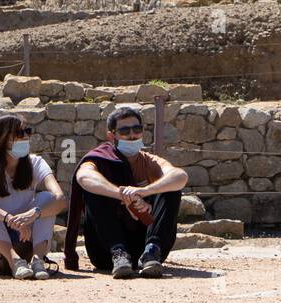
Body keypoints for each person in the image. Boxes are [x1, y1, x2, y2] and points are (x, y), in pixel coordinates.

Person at [62, 105, 188, 277]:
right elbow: (84, 177)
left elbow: (180, 176)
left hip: (147, 251)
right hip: (106, 252)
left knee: (171, 187)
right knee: (94, 189)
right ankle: (119, 252)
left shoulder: (149, 161)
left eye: (137, 129)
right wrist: (123, 196)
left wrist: (143, 192)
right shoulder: (100, 158)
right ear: (111, 135)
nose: (132, 135)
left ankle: (152, 250)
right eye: (124, 131)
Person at [0, 113, 66, 278]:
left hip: (24, 243)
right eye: (19, 133)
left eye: (27, 131)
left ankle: (38, 260)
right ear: (2, 139)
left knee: (47, 198)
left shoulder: (36, 162)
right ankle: (13, 261)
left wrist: (34, 213)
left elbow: (60, 199)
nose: (25, 136)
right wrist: (8, 218)